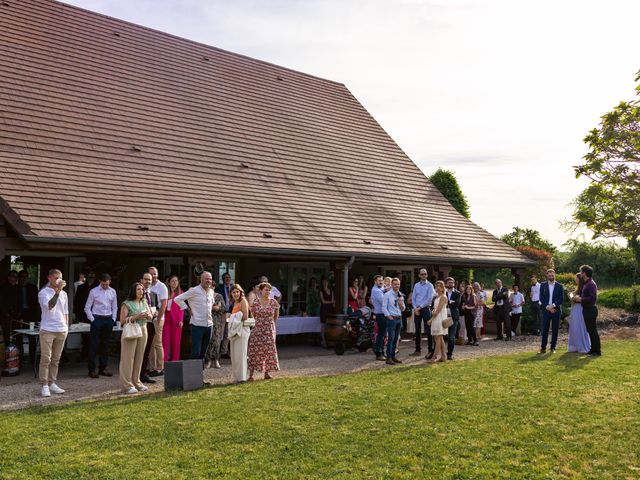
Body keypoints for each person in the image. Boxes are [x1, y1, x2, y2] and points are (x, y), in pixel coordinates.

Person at [37, 269, 69, 397]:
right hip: (47, 330)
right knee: (46, 358)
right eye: (55, 278)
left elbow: (66, 311)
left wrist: (66, 327)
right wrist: (58, 291)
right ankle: (44, 385)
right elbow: (50, 306)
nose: (58, 280)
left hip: (61, 330)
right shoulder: (43, 293)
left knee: (56, 359)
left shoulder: (64, 294)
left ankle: (52, 383)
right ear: (49, 278)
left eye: (60, 278)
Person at [175, 272, 216, 365]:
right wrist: (187, 309)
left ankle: (199, 377)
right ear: (201, 279)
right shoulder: (194, 290)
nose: (208, 281)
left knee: (203, 354)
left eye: (210, 279)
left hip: (209, 325)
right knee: (195, 352)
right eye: (206, 279)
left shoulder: (211, 292)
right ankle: (191, 376)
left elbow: (210, 305)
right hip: (197, 325)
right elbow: (177, 299)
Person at [118, 282, 152, 394]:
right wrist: (136, 317)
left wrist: (148, 315)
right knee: (128, 358)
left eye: (142, 289)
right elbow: (122, 321)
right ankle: (127, 385)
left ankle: (137, 382)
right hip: (131, 330)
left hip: (143, 329)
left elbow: (151, 316)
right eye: (138, 289)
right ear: (134, 291)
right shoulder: (126, 304)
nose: (141, 291)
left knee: (139, 357)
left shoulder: (144, 302)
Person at [84, 273, 118, 378]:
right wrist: (93, 320)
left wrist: (113, 319)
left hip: (108, 319)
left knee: (106, 345)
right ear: (100, 282)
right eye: (103, 284)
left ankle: (103, 368)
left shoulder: (113, 291)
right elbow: (87, 307)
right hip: (97, 318)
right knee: (94, 345)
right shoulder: (93, 291)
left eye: (107, 284)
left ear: (109, 282)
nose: (105, 286)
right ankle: (92, 369)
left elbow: (115, 307)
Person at [248, 282, 280, 380]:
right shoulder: (256, 302)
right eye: (266, 290)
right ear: (261, 291)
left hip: (269, 329)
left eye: (269, 290)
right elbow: (253, 314)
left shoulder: (274, 302)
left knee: (269, 350)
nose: (268, 292)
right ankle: (251, 374)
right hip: (257, 328)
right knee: (254, 349)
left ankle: (267, 373)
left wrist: (269, 324)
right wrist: (260, 322)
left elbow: (276, 316)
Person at [573, 265, 601, 356]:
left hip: (590, 309)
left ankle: (597, 351)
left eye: (581, 272)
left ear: (584, 273)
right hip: (586, 309)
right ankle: (593, 350)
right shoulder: (586, 283)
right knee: (590, 330)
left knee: (593, 331)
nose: (580, 273)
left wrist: (580, 299)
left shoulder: (591, 284)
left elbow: (593, 298)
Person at [140, 272, 160, 383]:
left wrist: (156, 312)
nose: (148, 281)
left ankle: (144, 374)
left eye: (150, 279)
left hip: (150, 325)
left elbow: (155, 307)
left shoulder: (154, 294)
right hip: (139, 325)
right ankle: (135, 375)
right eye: (146, 279)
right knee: (139, 351)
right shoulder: (137, 293)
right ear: (141, 280)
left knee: (147, 351)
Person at [147, 266, 168, 377]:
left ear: (157, 274)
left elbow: (164, 304)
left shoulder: (162, 286)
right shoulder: (147, 286)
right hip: (149, 319)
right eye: (151, 274)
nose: (153, 276)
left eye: (155, 274)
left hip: (158, 318)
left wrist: (158, 319)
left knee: (157, 343)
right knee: (151, 344)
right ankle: (152, 367)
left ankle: (160, 368)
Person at [227, 284, 251, 382]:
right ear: (231, 294)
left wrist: (233, 317)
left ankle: (242, 378)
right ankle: (236, 377)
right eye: (234, 292)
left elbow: (245, 316)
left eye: (237, 292)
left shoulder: (243, 301)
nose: (236, 294)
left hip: (242, 331)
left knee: (241, 355)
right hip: (235, 331)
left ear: (240, 292)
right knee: (235, 355)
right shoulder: (234, 303)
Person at [16, 270, 39, 364]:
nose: (24, 278)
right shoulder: (16, 288)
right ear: (19, 277)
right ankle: (21, 358)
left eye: (26, 276)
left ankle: (33, 358)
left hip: (31, 315)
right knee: (18, 337)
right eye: (22, 276)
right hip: (18, 314)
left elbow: (37, 302)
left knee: (32, 337)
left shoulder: (32, 287)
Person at [539, 269, 564, 354]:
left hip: (556, 310)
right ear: (547, 276)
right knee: (545, 329)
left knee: (555, 330)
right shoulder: (543, 285)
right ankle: (543, 348)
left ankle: (553, 348)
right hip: (546, 310)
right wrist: (547, 307)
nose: (551, 277)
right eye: (549, 275)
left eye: (552, 275)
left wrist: (553, 306)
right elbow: (541, 297)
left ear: (554, 275)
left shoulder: (560, 286)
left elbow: (561, 299)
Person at [410, 268, 434, 357]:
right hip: (417, 309)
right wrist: (415, 308)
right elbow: (413, 298)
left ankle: (430, 351)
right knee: (417, 331)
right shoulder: (416, 285)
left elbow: (429, 300)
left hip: (425, 309)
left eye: (425, 274)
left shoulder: (430, 286)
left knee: (428, 331)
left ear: (427, 275)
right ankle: (417, 350)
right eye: (422, 274)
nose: (424, 275)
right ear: (419, 275)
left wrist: (419, 307)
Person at [74, 271, 97, 360]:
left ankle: (91, 355)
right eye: (89, 276)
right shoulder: (81, 287)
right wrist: (76, 314)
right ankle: (84, 354)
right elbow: (77, 302)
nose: (91, 277)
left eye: (93, 276)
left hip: (95, 314)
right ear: (86, 277)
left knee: (94, 336)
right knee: (84, 336)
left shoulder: (97, 287)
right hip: (83, 315)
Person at [382, 277, 404, 365]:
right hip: (391, 319)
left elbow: (403, 308)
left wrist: (400, 303)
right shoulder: (387, 294)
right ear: (391, 285)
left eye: (398, 284)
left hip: (399, 318)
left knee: (396, 339)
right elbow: (384, 307)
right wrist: (388, 316)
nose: (397, 286)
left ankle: (393, 356)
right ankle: (388, 358)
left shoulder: (400, 295)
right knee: (390, 339)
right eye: (395, 284)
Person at [567, 273, 591, 354]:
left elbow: (581, 298)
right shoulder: (578, 288)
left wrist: (574, 297)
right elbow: (572, 295)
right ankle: (575, 346)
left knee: (579, 327)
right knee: (574, 327)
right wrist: (571, 296)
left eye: (576, 278)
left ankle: (582, 346)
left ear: (580, 279)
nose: (575, 279)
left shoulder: (584, 288)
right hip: (575, 309)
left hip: (580, 309)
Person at [162, 275, 184, 362]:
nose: (175, 282)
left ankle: (175, 361)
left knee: (176, 343)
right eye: (172, 281)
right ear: (169, 282)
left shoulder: (181, 293)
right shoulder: (165, 293)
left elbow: (182, 308)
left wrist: (181, 320)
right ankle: (164, 362)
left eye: (176, 281)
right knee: (165, 342)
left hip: (176, 320)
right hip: (166, 319)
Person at [204, 288, 226, 369]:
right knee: (208, 341)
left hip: (217, 321)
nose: (211, 287)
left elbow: (224, 308)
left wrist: (218, 308)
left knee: (216, 341)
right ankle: (208, 360)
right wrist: (213, 307)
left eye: (212, 285)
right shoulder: (204, 296)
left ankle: (216, 360)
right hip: (206, 321)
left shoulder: (219, 296)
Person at [427, 280, 448, 363]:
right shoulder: (436, 297)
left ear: (443, 288)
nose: (438, 287)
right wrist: (433, 311)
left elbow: (439, 310)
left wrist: (431, 319)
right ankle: (443, 356)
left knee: (437, 338)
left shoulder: (443, 297)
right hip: (436, 317)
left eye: (440, 286)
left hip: (440, 318)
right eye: (437, 286)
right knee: (439, 338)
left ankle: (433, 357)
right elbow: (436, 308)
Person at [370, 275, 386, 361]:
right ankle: (379, 353)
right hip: (380, 314)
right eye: (379, 280)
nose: (381, 281)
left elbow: (384, 289)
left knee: (382, 334)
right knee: (381, 334)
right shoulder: (376, 291)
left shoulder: (380, 289)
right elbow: (384, 302)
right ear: (375, 282)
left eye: (382, 280)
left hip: (381, 314)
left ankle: (381, 352)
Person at [445, 277, 461, 360]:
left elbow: (457, 304)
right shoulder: (443, 292)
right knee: (440, 336)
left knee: (451, 337)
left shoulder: (457, 293)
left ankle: (449, 354)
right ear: (446, 283)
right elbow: (442, 303)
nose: (450, 284)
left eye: (452, 282)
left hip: (453, 317)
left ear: (454, 284)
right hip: (443, 317)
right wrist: (451, 302)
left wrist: (448, 302)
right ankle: (437, 353)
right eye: (449, 282)